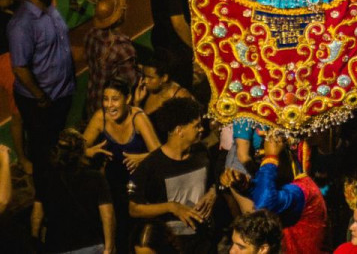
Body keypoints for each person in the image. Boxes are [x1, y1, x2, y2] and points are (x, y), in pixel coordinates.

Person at [8, 0, 76, 178]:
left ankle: (60, 180)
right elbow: (19, 67)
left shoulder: (51, 10)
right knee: (42, 150)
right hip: (41, 100)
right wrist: (40, 96)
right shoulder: (22, 25)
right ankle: (44, 194)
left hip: (62, 92)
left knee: (57, 142)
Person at [129, 96, 217, 253]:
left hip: (203, 240)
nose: (201, 129)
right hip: (172, 245)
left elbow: (212, 183)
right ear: (179, 130)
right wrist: (171, 207)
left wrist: (213, 193)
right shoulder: (152, 165)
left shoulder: (202, 154)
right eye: (196, 126)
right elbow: (134, 208)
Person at [83, 77, 160, 252]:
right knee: (117, 233)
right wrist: (89, 152)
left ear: (127, 99)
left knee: (138, 234)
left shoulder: (138, 118)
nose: (109, 105)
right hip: (113, 186)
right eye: (105, 99)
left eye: (115, 99)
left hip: (140, 187)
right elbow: (78, 149)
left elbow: (160, 154)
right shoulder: (100, 118)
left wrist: (143, 158)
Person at [31, 129, 114, 254]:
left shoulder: (46, 179)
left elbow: (37, 217)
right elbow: (108, 216)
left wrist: (34, 244)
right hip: (91, 245)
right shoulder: (95, 177)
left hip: (56, 247)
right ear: (82, 152)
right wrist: (109, 248)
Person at [83, 0, 138, 117]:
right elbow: (131, 81)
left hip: (93, 100)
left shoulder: (90, 35)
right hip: (112, 110)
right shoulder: (122, 48)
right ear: (119, 17)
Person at [137, 51, 193, 115]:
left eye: (150, 78)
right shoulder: (145, 92)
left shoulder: (180, 97)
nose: (145, 81)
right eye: (144, 76)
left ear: (164, 78)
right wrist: (137, 103)